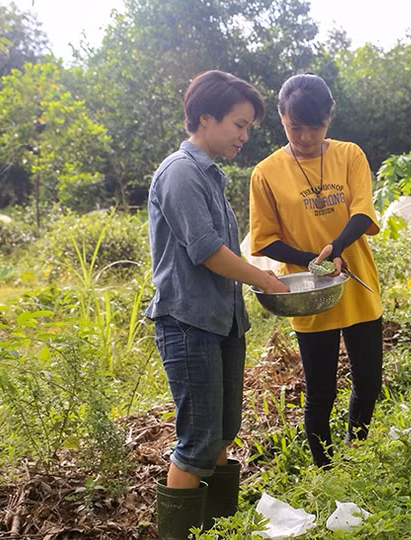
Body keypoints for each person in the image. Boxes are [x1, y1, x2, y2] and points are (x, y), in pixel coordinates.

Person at [146, 70, 289, 539]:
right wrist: (264, 280)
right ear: (206, 118)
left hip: (222, 321)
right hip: (189, 323)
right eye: (239, 125)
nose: (245, 136)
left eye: (248, 128)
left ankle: (220, 529)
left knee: (224, 431)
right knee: (199, 440)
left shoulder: (210, 174)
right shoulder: (180, 172)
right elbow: (207, 250)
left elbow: (223, 251)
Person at [248, 73, 383, 468]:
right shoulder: (266, 173)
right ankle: (325, 469)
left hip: (355, 281)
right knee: (321, 391)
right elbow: (264, 239)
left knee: (369, 382)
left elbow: (363, 211)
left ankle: (356, 452)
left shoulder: (349, 155)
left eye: (316, 126)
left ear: (330, 118)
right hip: (309, 291)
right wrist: (315, 260)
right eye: (295, 127)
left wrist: (337, 248)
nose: (305, 137)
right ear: (281, 118)